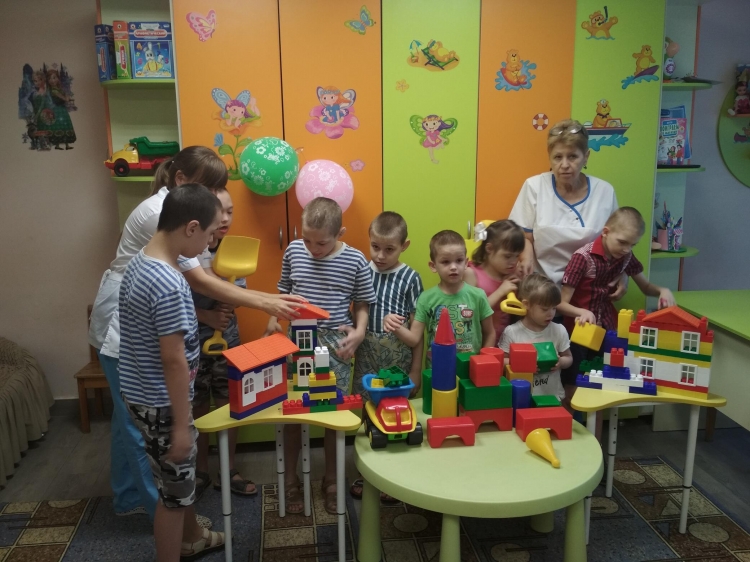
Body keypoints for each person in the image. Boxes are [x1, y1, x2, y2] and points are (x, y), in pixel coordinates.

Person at [89, 146, 304, 519]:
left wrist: (264, 299)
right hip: (126, 329)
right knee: (141, 426)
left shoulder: (175, 215)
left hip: (134, 323)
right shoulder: (164, 220)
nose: (214, 205)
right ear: (181, 180)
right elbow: (201, 282)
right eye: (209, 189)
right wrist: (267, 302)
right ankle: (165, 514)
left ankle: (128, 498)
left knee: (129, 421)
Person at [119, 184, 225, 560]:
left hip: (141, 394)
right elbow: (173, 360)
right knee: (173, 498)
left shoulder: (141, 261)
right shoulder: (169, 283)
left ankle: (192, 536)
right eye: (210, 234)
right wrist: (181, 425)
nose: (210, 243)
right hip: (164, 405)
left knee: (175, 481)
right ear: (191, 227)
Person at [265, 197, 376, 515]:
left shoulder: (355, 260)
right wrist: (273, 318)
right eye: (307, 240)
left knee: (331, 414)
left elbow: (362, 303)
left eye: (322, 243)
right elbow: (283, 292)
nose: (313, 248)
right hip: (298, 340)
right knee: (293, 412)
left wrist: (360, 331)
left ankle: (332, 480)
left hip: (336, 346)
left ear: (340, 233)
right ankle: (290, 480)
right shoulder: (293, 251)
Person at [558, 207, 676, 399]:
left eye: (632, 245)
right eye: (622, 242)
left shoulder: (625, 257)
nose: (626, 249)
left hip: (606, 329)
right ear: (606, 232)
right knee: (573, 384)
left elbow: (645, 286)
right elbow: (560, 304)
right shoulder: (583, 257)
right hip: (578, 331)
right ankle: (571, 417)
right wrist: (581, 312)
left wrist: (663, 290)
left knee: (603, 382)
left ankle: (596, 418)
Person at [349, 212, 424, 501]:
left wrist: (415, 370)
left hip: (398, 359)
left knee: (397, 414)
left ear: (404, 246)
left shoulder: (411, 278)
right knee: (366, 414)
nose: (380, 255)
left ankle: (396, 475)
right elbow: (355, 312)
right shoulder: (362, 271)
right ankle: (366, 471)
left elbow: (418, 332)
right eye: (375, 247)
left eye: (389, 249)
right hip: (366, 356)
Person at [191, 188, 256, 498]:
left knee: (231, 404)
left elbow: (239, 291)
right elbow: (175, 297)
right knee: (198, 407)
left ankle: (228, 470)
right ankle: (200, 469)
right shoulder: (188, 252)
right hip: (192, 343)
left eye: (230, 211)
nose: (226, 219)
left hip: (227, 341)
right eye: (220, 212)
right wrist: (206, 315)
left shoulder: (232, 250)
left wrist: (232, 301)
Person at [509, 119, 622, 290]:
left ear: (586, 157)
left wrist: (623, 273)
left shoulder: (605, 192)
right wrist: (526, 257)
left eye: (572, 157)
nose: (564, 165)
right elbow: (523, 237)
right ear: (550, 158)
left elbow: (619, 241)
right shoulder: (534, 186)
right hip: (541, 288)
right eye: (557, 157)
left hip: (589, 288)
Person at [394, 230, 495, 360]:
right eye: (446, 262)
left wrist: (483, 361)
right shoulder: (426, 298)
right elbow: (414, 339)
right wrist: (395, 326)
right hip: (437, 368)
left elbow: (490, 333)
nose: (453, 267)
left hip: (470, 369)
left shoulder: (478, 296)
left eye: (459, 260)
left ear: (466, 263)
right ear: (433, 266)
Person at [498, 274, 573, 401]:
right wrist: (523, 365)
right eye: (544, 309)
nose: (551, 314)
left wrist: (561, 362)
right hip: (521, 398)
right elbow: (502, 361)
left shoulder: (559, 330)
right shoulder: (512, 332)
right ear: (526, 304)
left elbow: (569, 358)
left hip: (552, 396)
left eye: (554, 308)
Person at [464, 220, 526, 345]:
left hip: (505, 344)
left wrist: (522, 285)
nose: (513, 262)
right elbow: (469, 313)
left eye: (517, 256)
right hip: (477, 344)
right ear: (489, 249)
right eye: (507, 256)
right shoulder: (471, 274)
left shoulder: (511, 274)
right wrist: (501, 291)